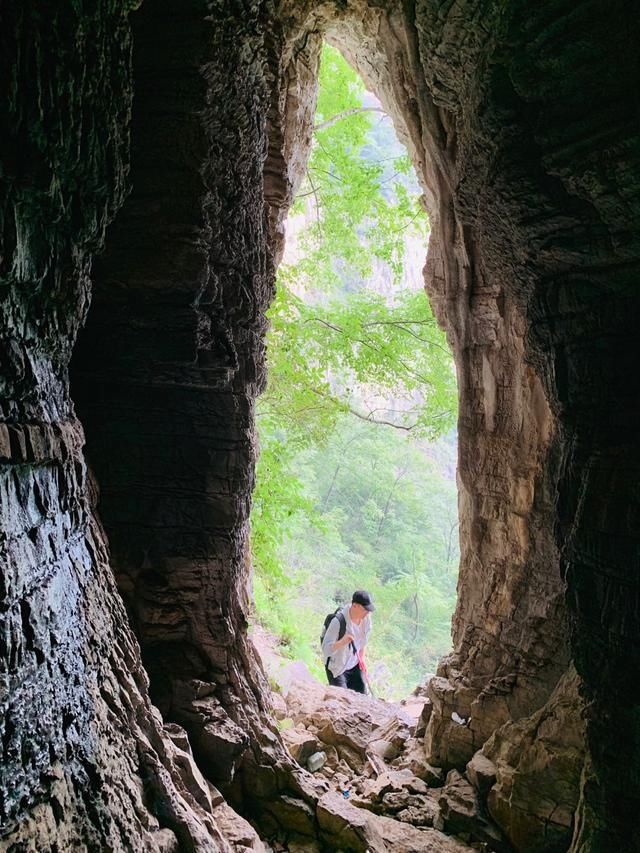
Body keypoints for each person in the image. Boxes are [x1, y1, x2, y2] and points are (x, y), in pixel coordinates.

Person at [322, 590, 374, 693]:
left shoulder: (366, 620)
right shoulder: (338, 622)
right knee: (343, 699)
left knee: (363, 698)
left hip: (354, 664)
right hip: (337, 668)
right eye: (365, 609)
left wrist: (362, 658)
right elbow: (326, 650)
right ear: (354, 605)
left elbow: (363, 642)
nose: (367, 612)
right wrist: (342, 642)